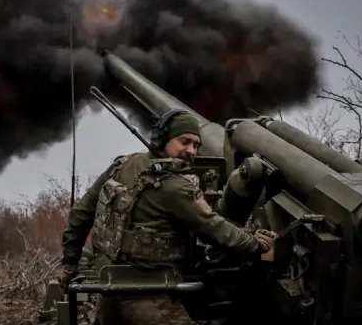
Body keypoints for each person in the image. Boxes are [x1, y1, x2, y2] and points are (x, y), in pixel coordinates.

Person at [56, 109, 276, 325]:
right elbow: (214, 230)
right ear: (161, 139)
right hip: (151, 297)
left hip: (109, 292)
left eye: (196, 145)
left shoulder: (122, 165)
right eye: (184, 141)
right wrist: (256, 244)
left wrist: (70, 262)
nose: (191, 151)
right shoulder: (175, 187)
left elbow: (81, 212)